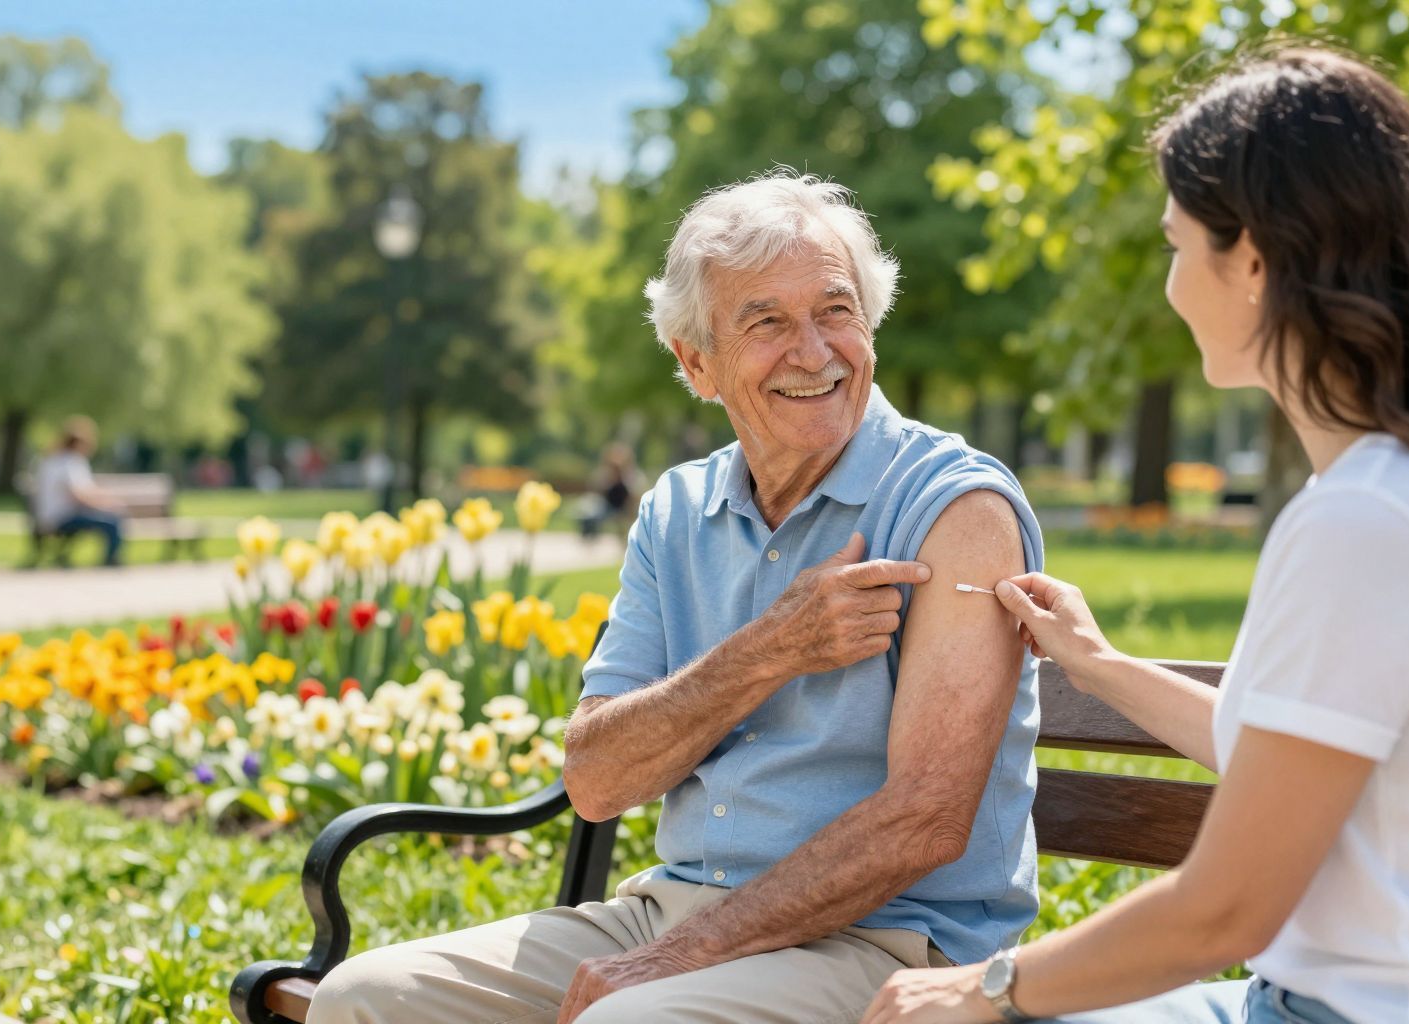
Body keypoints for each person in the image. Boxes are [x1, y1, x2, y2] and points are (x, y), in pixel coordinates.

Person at [306, 171, 1044, 1023]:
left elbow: (926, 820)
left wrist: (677, 960)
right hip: (672, 911)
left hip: (890, 945)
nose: (814, 350)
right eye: (767, 321)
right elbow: (597, 779)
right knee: (365, 999)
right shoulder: (677, 510)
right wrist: (774, 647)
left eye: (835, 310)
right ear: (698, 364)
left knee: (629, 1020)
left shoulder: (957, 509)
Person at [862, 45, 1409, 1024]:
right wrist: (1099, 664)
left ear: (1252, 258)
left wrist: (985, 985)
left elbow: (1223, 907)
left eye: (1177, 246)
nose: (1171, 285)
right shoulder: (1389, 494)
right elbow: (1284, 754)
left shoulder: (1365, 522)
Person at [32, 415, 126, 567]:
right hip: (61, 517)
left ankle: (110, 559)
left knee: (111, 517)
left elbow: (86, 491)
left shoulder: (57, 459)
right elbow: (78, 495)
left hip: (54, 515)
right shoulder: (68, 462)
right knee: (111, 522)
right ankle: (110, 560)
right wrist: (106, 504)